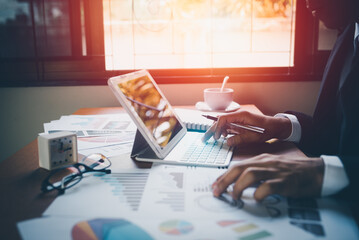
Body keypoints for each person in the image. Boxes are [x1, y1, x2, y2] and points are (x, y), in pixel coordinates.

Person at [202, 0, 359, 202]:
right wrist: (278, 126)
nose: (306, 3)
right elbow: (336, 137)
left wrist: (323, 171)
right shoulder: (349, 33)